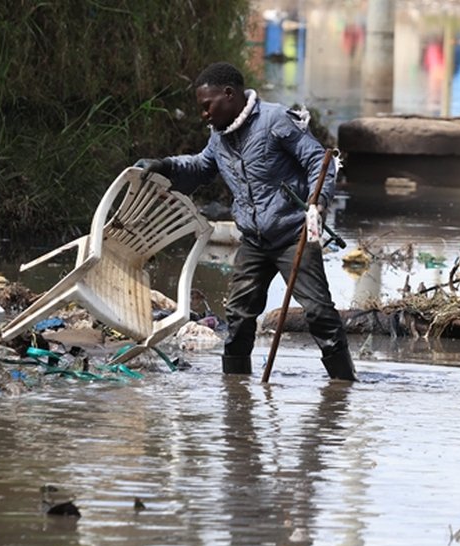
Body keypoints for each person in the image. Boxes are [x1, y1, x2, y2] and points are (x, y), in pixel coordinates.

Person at [137, 62, 356, 381]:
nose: (204, 114)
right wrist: (166, 166)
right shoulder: (219, 136)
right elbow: (201, 167)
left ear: (229, 94)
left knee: (318, 312)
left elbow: (317, 162)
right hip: (254, 241)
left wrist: (316, 204)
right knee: (238, 317)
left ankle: (344, 386)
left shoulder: (276, 120)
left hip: (293, 234)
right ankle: (236, 394)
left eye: (207, 105)